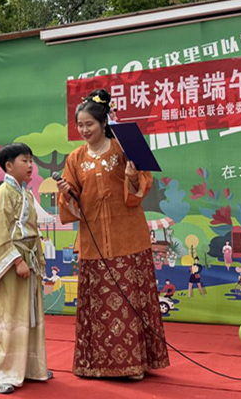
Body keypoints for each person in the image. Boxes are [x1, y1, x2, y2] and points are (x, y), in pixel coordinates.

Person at [56, 89, 169, 380]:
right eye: (80, 125)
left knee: (130, 301)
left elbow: (142, 185)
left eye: (89, 124)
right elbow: (72, 203)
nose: (84, 130)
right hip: (93, 241)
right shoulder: (75, 158)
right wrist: (67, 193)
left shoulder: (123, 148)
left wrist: (132, 177)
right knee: (98, 306)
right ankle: (95, 364)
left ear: (104, 123)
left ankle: (134, 364)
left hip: (127, 237)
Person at [0, 143, 50, 394]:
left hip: (27, 258)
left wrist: (34, 260)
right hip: (11, 261)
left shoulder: (25, 193)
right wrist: (16, 261)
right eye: (25, 160)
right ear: (9, 166)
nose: (30, 165)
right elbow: (0, 231)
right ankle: (0, 373)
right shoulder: (3, 193)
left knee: (27, 314)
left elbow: (32, 229)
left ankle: (28, 367)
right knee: (7, 316)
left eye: (31, 160)